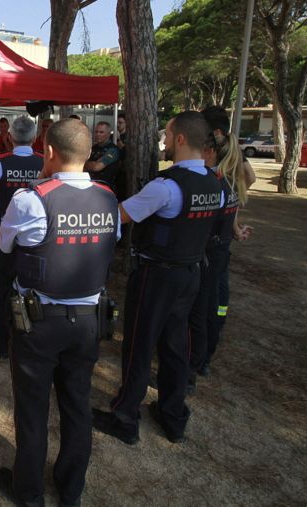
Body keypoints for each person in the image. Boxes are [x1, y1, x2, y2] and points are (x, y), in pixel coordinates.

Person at [0, 119, 119, 507]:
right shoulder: (108, 197)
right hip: (87, 322)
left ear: (47, 151)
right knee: (77, 405)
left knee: (32, 411)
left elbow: (4, 245)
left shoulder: (31, 199)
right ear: (86, 154)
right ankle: (71, 490)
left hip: (39, 323)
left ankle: (29, 493)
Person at [92, 111, 223, 445]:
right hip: (191, 273)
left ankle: (125, 417)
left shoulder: (166, 187)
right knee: (175, 346)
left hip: (157, 276)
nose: (163, 141)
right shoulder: (215, 183)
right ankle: (172, 414)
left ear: (180, 139)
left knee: (138, 345)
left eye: (166, 134)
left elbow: (119, 215)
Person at [187, 106, 253, 391]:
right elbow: (243, 186)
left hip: (210, 254)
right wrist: (235, 227)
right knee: (214, 307)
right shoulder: (232, 175)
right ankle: (203, 360)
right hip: (221, 251)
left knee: (200, 312)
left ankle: (192, 367)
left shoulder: (214, 181)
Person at [0, 115, 42, 359]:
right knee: (34, 287)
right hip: (37, 238)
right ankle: (30, 340)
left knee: (3, 288)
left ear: (10, 138)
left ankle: (1, 342)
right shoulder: (44, 163)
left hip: (6, 236)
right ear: (34, 139)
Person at [84, 121, 123, 194]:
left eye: (101, 132)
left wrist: (87, 164)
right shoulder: (93, 148)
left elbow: (96, 167)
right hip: (92, 187)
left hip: (106, 189)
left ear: (108, 134)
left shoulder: (112, 150)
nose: (98, 134)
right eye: (96, 132)